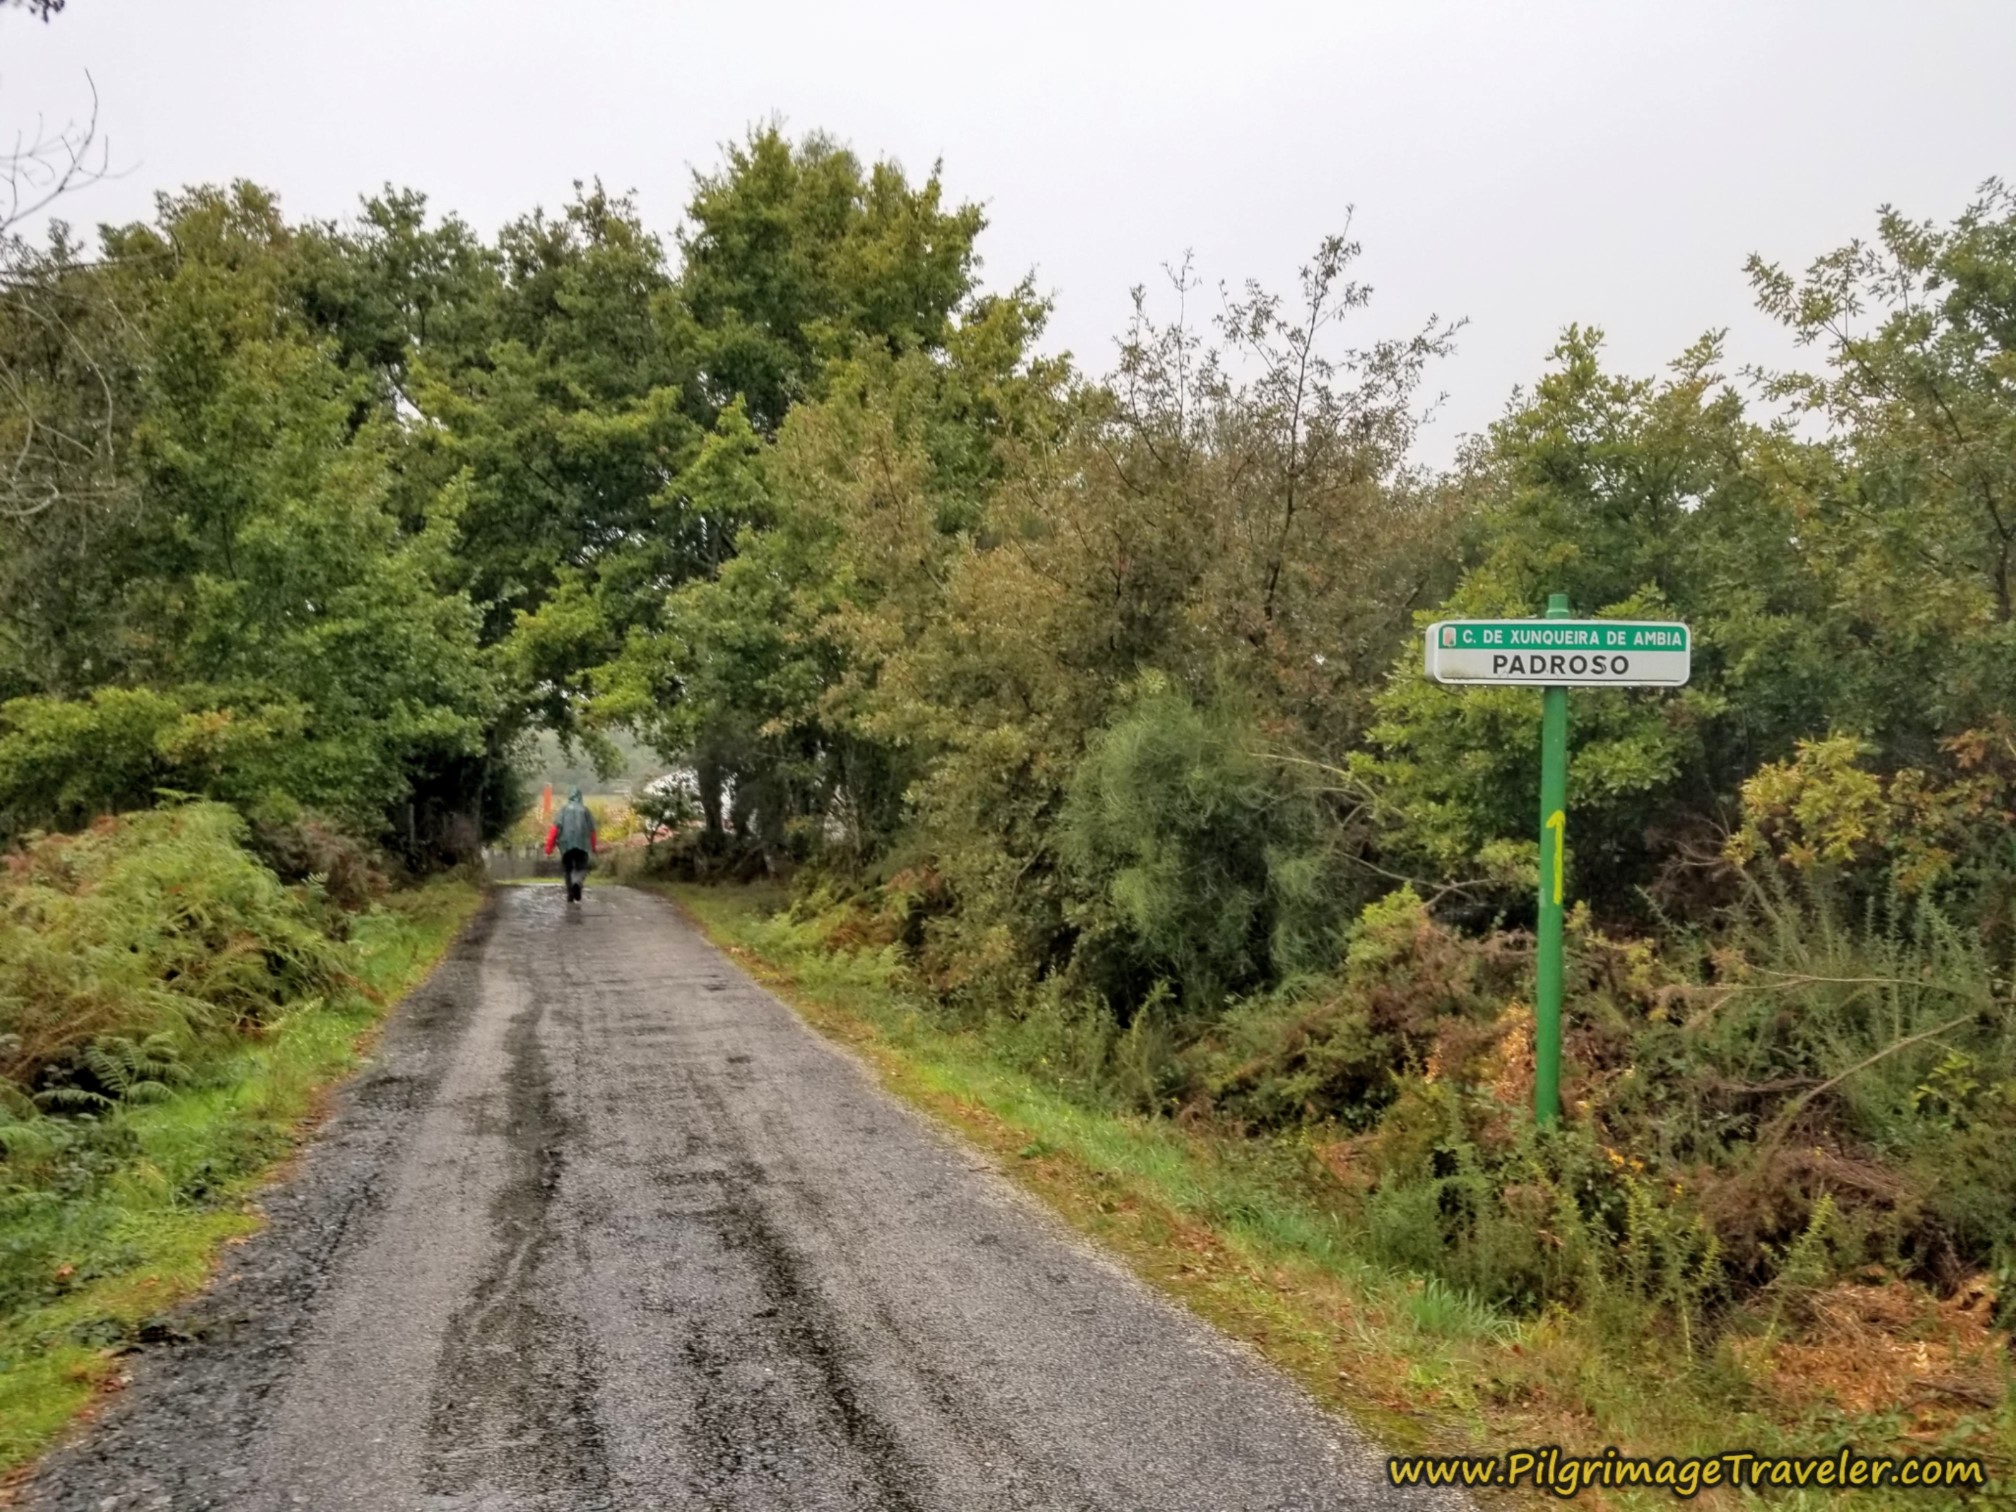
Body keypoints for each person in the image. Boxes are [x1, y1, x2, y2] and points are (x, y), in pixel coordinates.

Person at [544, 787, 599, 902]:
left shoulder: (563, 810)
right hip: (582, 845)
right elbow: (592, 831)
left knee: (567, 869)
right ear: (580, 797)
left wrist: (549, 847)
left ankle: (570, 895)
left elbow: (555, 829)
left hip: (566, 845)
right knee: (581, 867)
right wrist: (594, 847)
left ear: (570, 796)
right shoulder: (585, 811)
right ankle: (577, 883)